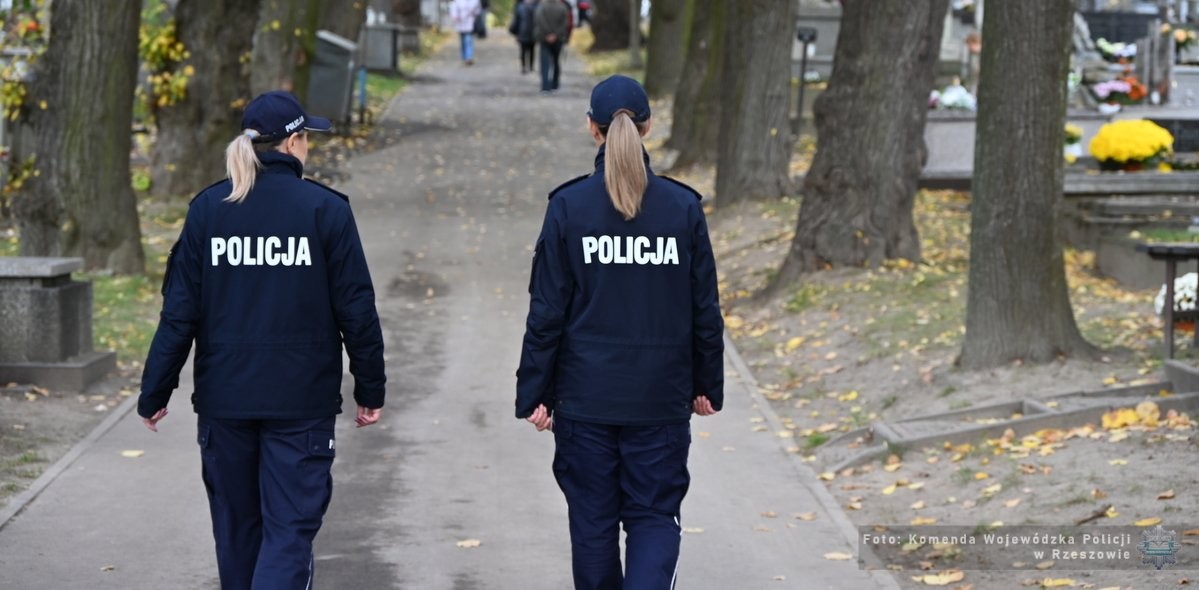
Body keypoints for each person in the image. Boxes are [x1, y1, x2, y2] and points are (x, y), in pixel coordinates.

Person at [138, 90, 387, 590]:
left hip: (226, 401)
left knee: (237, 535)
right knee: (289, 533)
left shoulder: (209, 210)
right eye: (307, 138)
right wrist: (370, 388)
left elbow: (179, 314)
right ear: (293, 143)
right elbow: (356, 310)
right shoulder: (325, 210)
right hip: (301, 403)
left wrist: (155, 390)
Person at [515, 75, 724, 590]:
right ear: (647, 127)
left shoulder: (569, 207)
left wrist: (535, 392)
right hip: (660, 398)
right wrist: (707, 384)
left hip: (585, 401)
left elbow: (547, 313)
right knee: (654, 516)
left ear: (593, 128)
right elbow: (704, 309)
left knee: (592, 523)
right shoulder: (682, 208)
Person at [533, 0, 569, 92]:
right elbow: (565, 23)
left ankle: (545, 85)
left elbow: (539, 21)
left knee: (545, 62)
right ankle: (555, 84)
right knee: (556, 61)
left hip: (544, 38)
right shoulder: (563, 7)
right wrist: (555, 35)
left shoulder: (541, 6)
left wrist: (547, 34)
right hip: (558, 38)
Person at [450, 0, 482, 65]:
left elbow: (478, 10)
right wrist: (455, 16)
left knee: (468, 40)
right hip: (460, 22)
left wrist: (474, 13)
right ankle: (464, 56)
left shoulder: (475, 1)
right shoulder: (457, 1)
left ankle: (469, 57)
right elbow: (454, 9)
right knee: (463, 40)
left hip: (470, 22)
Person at [510, 0, 538, 74]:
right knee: (531, 50)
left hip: (523, 31)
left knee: (523, 50)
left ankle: (524, 67)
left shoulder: (520, 7)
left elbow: (516, 20)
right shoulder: (537, 6)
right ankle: (531, 66)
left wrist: (514, 31)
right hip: (532, 32)